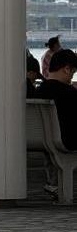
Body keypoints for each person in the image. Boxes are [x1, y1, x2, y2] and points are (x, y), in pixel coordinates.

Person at [35, 48, 77, 198]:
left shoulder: (39, 91)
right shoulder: (70, 94)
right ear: (66, 69)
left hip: (43, 140)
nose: (72, 77)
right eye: (72, 72)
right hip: (68, 140)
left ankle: (53, 184)